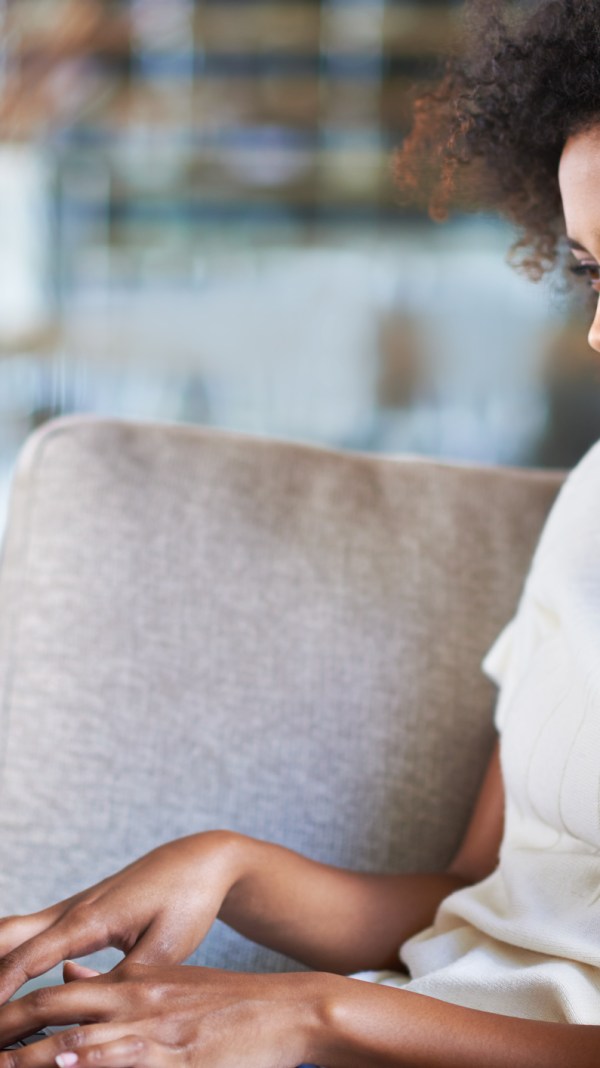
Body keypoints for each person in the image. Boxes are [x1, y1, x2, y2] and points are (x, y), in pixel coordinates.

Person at [2, 0, 600, 1064]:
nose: (596, 334)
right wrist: (231, 866)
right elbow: (485, 896)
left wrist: (310, 1015)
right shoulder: (594, 505)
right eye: (593, 272)